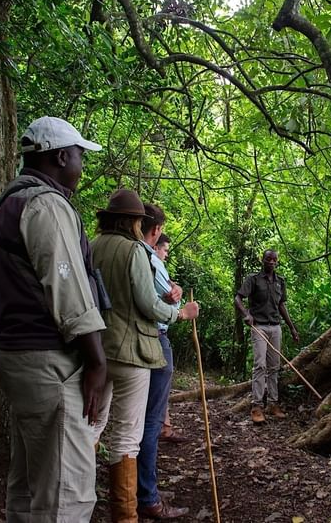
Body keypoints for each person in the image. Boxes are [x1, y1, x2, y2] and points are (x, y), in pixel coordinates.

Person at [0, 116, 107, 522]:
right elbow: (68, 291)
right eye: (78, 156)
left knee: (28, 484)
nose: (81, 165)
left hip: (16, 356)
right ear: (60, 156)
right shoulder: (45, 204)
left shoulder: (12, 200)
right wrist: (96, 361)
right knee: (65, 495)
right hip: (48, 362)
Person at [91, 190, 199, 522]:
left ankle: (79, 497)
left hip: (94, 348)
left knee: (93, 425)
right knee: (127, 433)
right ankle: (126, 515)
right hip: (132, 351)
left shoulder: (92, 246)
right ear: (136, 222)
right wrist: (179, 313)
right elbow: (147, 304)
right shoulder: (134, 250)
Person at [136, 205, 187, 519]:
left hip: (140, 339)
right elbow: (160, 301)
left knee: (138, 420)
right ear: (154, 231)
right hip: (152, 337)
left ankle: (143, 489)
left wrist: (173, 296)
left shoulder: (109, 248)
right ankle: (146, 496)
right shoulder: (144, 257)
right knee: (148, 421)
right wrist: (180, 309)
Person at [235, 249, 299, 424]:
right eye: (268, 259)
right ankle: (256, 406)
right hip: (259, 327)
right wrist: (246, 314)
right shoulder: (254, 279)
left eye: (274, 260)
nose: (271, 262)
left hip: (275, 327)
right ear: (262, 260)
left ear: (277, 262)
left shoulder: (280, 281)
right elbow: (238, 298)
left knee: (274, 367)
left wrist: (292, 328)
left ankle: (272, 403)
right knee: (260, 365)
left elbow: (281, 305)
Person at [153, 233, 187, 444]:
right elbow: (172, 300)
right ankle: (159, 428)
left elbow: (171, 293)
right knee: (160, 382)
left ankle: (165, 426)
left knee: (162, 382)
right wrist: (178, 301)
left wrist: (176, 291)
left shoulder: (154, 264)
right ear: (156, 246)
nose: (166, 255)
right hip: (156, 331)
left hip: (156, 331)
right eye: (165, 250)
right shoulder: (153, 262)